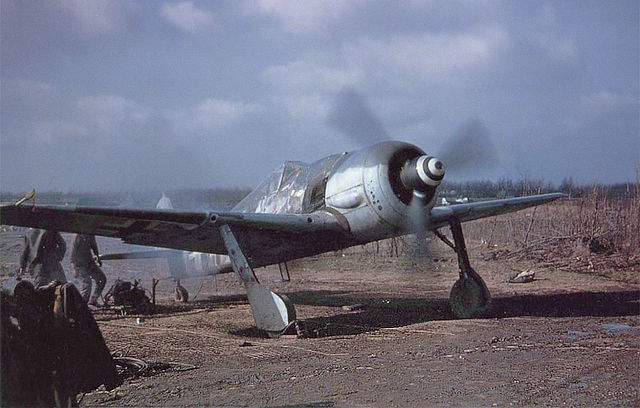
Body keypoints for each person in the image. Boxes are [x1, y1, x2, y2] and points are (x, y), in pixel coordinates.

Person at [70, 234, 106, 306]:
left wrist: (98, 257)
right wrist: (74, 268)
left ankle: (93, 299)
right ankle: (82, 304)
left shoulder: (91, 234)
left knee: (102, 279)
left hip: (89, 262)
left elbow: (94, 246)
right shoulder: (77, 236)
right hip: (79, 264)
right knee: (87, 283)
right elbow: (72, 254)